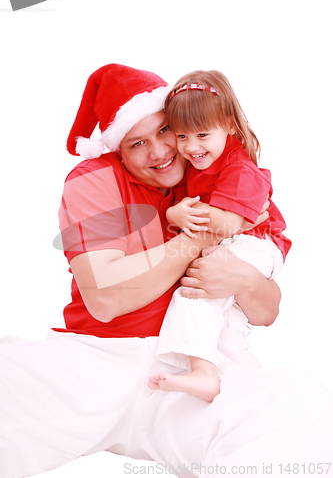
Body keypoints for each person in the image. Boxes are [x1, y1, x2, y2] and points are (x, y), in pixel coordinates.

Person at [1, 64, 333, 478]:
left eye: (164, 131)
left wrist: (244, 279)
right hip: (99, 358)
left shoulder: (217, 173)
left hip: (195, 365)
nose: (159, 151)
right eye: (137, 143)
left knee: (297, 400)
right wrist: (199, 238)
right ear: (117, 149)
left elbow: (266, 312)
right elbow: (105, 299)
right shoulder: (94, 179)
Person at [148, 70, 291, 403]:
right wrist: (173, 212)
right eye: (182, 136)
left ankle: (202, 373)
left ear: (229, 124)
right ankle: (247, 382)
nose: (192, 146)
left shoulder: (241, 169)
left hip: (259, 243)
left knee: (197, 290)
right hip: (239, 242)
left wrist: (177, 213)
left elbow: (229, 224)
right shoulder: (195, 169)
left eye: (202, 134)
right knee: (226, 322)